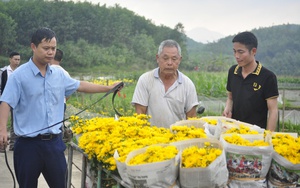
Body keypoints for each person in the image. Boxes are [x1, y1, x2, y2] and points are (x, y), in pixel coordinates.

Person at [0, 27, 122, 188]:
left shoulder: (59, 74)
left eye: (53, 48)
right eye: (46, 48)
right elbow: (6, 102)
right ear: (33, 47)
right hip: (28, 146)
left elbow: (80, 85)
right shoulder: (19, 76)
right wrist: (2, 130)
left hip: (54, 144)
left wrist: (108, 88)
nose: (50, 52)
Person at [131, 39, 199, 128]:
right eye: (165, 58)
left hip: (177, 139)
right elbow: (140, 116)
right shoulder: (145, 80)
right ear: (157, 58)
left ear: (180, 60)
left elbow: (191, 120)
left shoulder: (188, 84)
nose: (169, 63)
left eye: (174, 59)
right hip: (151, 138)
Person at [222, 31, 278, 131]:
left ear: (253, 51)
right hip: (233, 132)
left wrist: (268, 137)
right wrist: (227, 108)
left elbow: (273, 110)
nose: (236, 56)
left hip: (256, 134)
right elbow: (230, 98)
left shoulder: (267, 77)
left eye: (240, 52)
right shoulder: (233, 72)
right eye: (234, 51)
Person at [0, 51, 21, 151]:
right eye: (15, 59)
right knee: (2, 123)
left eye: (18, 60)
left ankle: (12, 144)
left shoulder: (20, 72)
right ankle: (1, 144)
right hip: (4, 101)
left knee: (14, 124)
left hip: (16, 102)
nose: (17, 62)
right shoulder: (4, 72)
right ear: (10, 59)